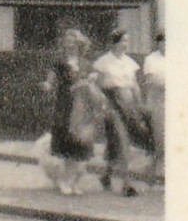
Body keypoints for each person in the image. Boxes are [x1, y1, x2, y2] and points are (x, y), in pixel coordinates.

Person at [42, 29, 102, 195]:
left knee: (80, 144)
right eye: (67, 42)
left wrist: (92, 78)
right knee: (67, 143)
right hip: (66, 105)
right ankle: (64, 180)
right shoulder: (60, 62)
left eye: (73, 42)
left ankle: (74, 181)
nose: (70, 45)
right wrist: (48, 84)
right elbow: (51, 78)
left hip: (82, 107)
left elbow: (94, 80)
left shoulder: (86, 63)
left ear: (79, 44)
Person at [92, 29, 148, 194]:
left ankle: (106, 175)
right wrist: (102, 106)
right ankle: (126, 184)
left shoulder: (130, 62)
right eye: (123, 41)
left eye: (127, 41)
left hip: (128, 104)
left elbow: (135, 85)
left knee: (115, 141)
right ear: (114, 43)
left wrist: (139, 104)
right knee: (122, 140)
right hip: (112, 104)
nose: (125, 44)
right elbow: (97, 87)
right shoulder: (103, 62)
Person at [141, 31, 166, 177]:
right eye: (163, 42)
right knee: (159, 134)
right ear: (158, 43)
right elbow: (150, 80)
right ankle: (155, 167)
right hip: (157, 100)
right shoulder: (151, 59)